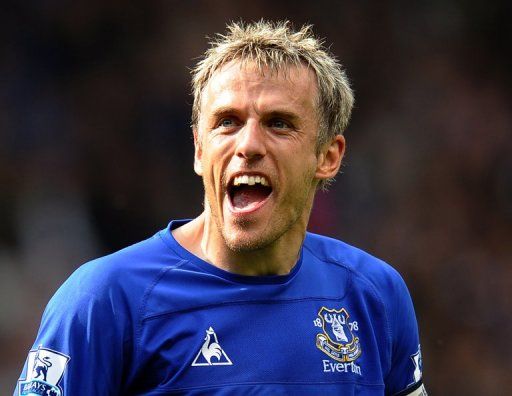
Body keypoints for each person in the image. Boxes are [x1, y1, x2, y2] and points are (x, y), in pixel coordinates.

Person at [14, 20, 426, 395]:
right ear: (198, 147)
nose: (247, 146)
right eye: (227, 121)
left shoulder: (375, 295)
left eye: (278, 123)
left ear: (328, 157)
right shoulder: (104, 300)